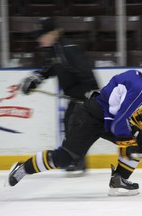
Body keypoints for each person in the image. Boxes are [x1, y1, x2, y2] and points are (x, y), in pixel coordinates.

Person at [7, 56, 142, 196]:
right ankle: (24, 168)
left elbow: (115, 97)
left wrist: (134, 113)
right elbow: (119, 120)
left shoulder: (134, 76)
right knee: (65, 158)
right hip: (89, 119)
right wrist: (126, 141)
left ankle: (119, 179)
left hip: (103, 116)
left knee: (140, 139)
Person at [19, 17, 99, 173]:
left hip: (85, 98)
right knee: (71, 125)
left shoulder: (68, 49)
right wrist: (34, 80)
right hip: (76, 98)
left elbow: (86, 73)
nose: (38, 39)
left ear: (53, 33)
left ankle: (76, 160)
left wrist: (91, 95)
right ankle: (76, 160)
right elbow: (48, 70)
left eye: (41, 35)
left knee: (75, 125)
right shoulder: (54, 50)